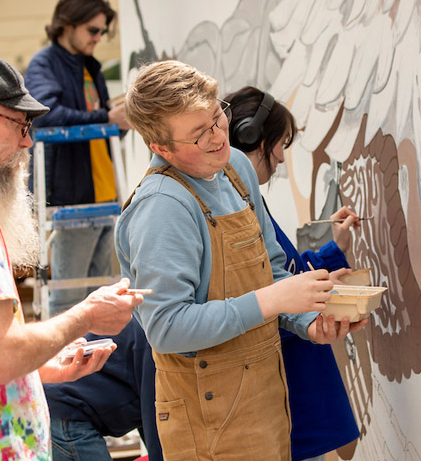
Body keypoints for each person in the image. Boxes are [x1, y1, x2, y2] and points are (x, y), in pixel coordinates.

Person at [115, 60, 368, 461]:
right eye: (199, 135)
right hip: (209, 416)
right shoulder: (162, 208)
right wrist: (273, 302)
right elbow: (166, 327)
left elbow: (272, 266)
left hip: (265, 395)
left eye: (218, 117)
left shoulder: (234, 169)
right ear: (160, 147)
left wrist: (309, 322)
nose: (218, 138)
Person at [0, 52, 142, 460]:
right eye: (19, 123)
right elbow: (3, 356)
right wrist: (87, 316)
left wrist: (44, 368)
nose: (28, 140)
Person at [225, 85, 360, 461]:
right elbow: (265, 288)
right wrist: (318, 286)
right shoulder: (232, 206)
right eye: (282, 142)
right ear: (252, 136)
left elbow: (283, 272)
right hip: (285, 368)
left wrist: (334, 251)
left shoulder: (246, 198)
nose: (282, 157)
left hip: (295, 360)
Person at [24, 0, 130, 316]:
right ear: (67, 24)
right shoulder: (44, 63)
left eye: (102, 31)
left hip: (102, 192)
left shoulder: (89, 66)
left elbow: (94, 123)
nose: (99, 37)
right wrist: (107, 117)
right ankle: (66, 365)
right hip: (73, 196)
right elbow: (44, 114)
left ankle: (95, 367)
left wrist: (118, 121)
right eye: (93, 29)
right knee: (71, 300)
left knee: (99, 295)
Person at [44, 317, 163, 461]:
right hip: (66, 413)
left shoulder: (149, 322)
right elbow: (157, 415)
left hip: (59, 406)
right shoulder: (157, 338)